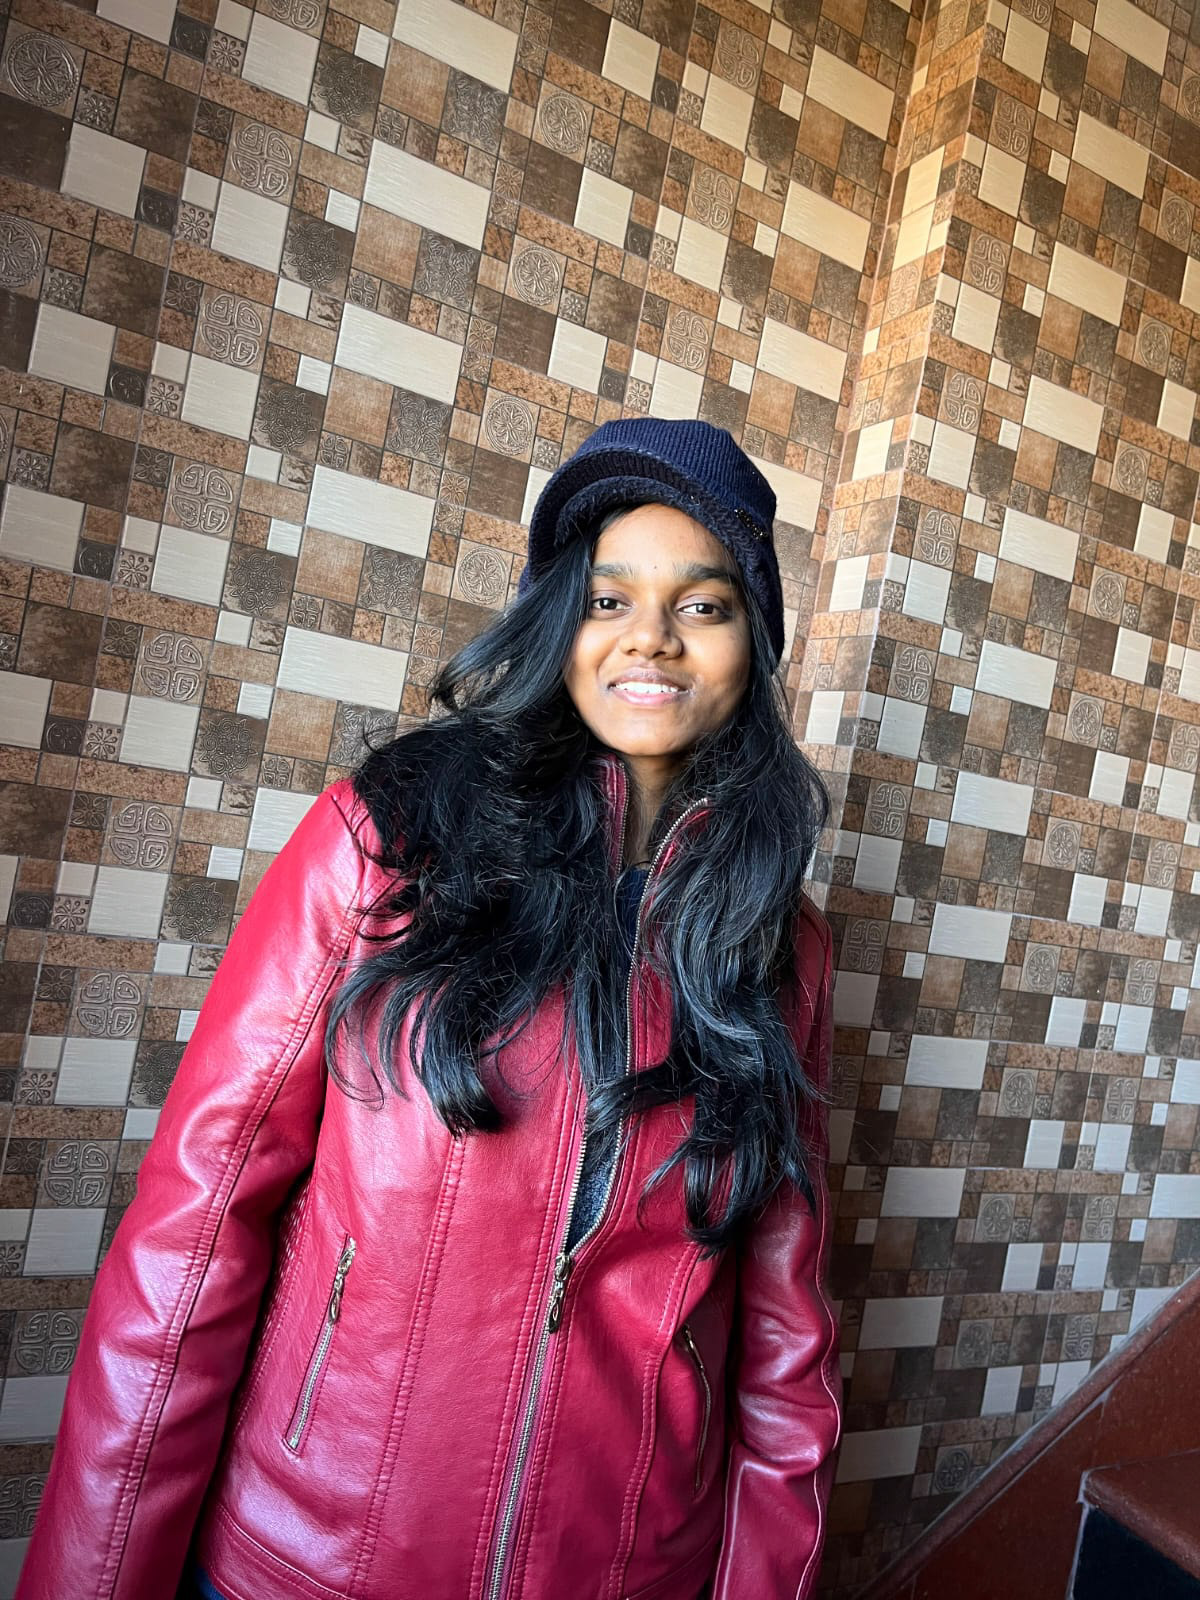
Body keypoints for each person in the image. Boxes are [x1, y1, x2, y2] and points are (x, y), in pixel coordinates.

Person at [17, 418, 841, 1600]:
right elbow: (193, 1236)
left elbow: (784, 1340)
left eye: (704, 605)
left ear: (753, 641)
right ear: (558, 624)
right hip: (305, 1565)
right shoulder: (390, 839)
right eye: (608, 599)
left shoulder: (778, 946)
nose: (650, 636)